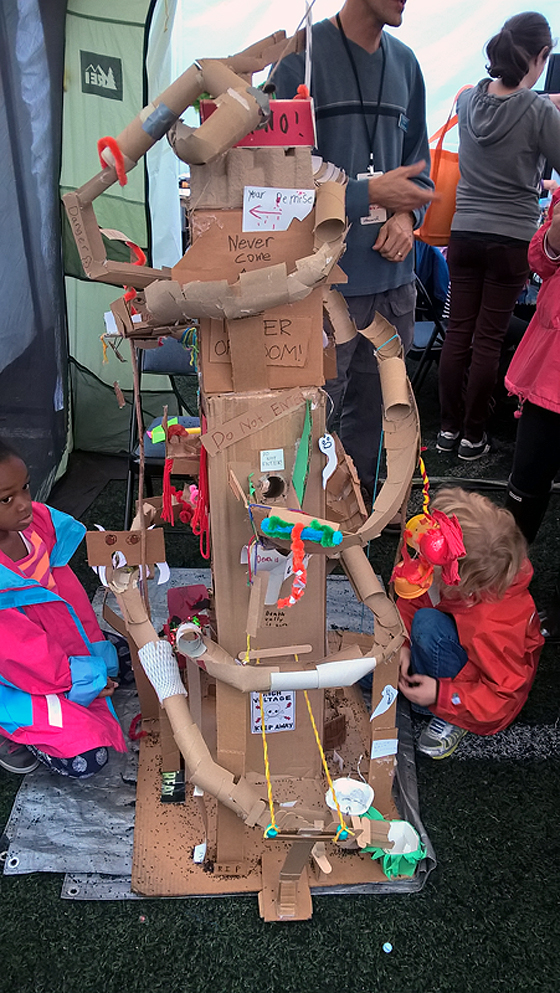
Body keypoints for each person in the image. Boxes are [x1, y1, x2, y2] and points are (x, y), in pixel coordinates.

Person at [272, 0, 433, 497]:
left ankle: (353, 522)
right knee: (311, 421)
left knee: (377, 418)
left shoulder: (406, 63)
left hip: (393, 287)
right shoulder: (300, 61)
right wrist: (370, 194)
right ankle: (305, 534)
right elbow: (280, 180)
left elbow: (419, 168)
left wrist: (408, 215)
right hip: (322, 291)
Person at [437, 12, 560, 461]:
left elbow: (493, 97)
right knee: (489, 339)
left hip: (464, 232)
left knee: (458, 334)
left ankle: (448, 430)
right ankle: (474, 436)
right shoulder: (538, 109)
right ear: (539, 56)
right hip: (511, 239)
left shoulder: (468, 100)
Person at [0, 441, 126, 776]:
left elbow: (71, 601)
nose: (25, 504)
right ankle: (11, 733)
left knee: (128, 659)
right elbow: (20, 655)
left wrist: (95, 652)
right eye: (6, 499)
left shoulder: (38, 528)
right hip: (16, 677)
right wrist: (78, 678)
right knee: (88, 757)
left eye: (25, 486)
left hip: (54, 654)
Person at [396, 487, 543, 759]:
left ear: (459, 579)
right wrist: (402, 643)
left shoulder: (496, 625)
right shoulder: (464, 579)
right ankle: (422, 676)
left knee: (427, 625)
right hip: (457, 645)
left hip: (476, 694)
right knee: (387, 655)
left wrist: (441, 694)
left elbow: (502, 699)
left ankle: (451, 715)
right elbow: (418, 597)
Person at [505, 184, 560, 636]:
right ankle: (501, 579)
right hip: (549, 368)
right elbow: (539, 261)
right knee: (526, 481)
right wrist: (554, 237)